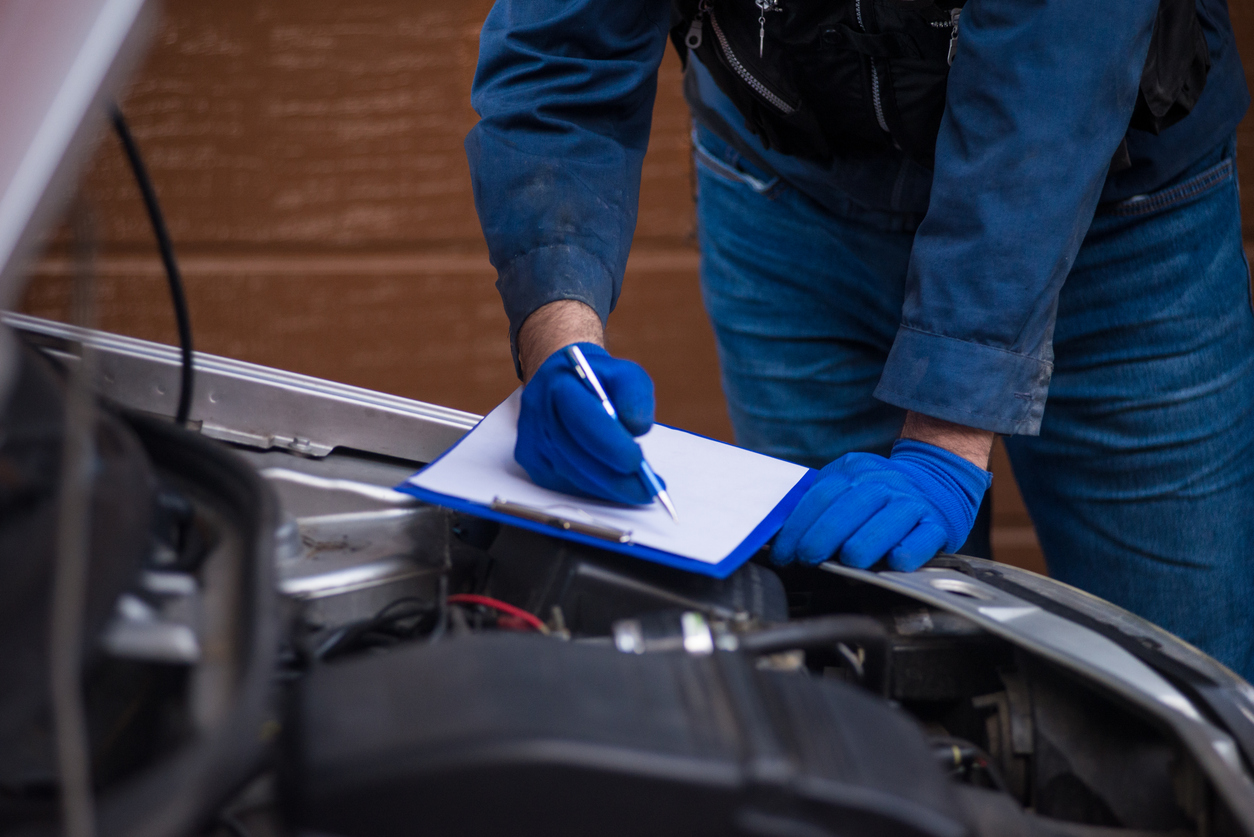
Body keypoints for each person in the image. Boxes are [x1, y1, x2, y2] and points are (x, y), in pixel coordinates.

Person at [464, 0, 1254, 679]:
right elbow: (559, 52)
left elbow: (1055, 68)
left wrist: (947, 432)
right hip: (788, 200)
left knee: (1183, 684)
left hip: (1116, 212)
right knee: (849, 669)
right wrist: (560, 343)